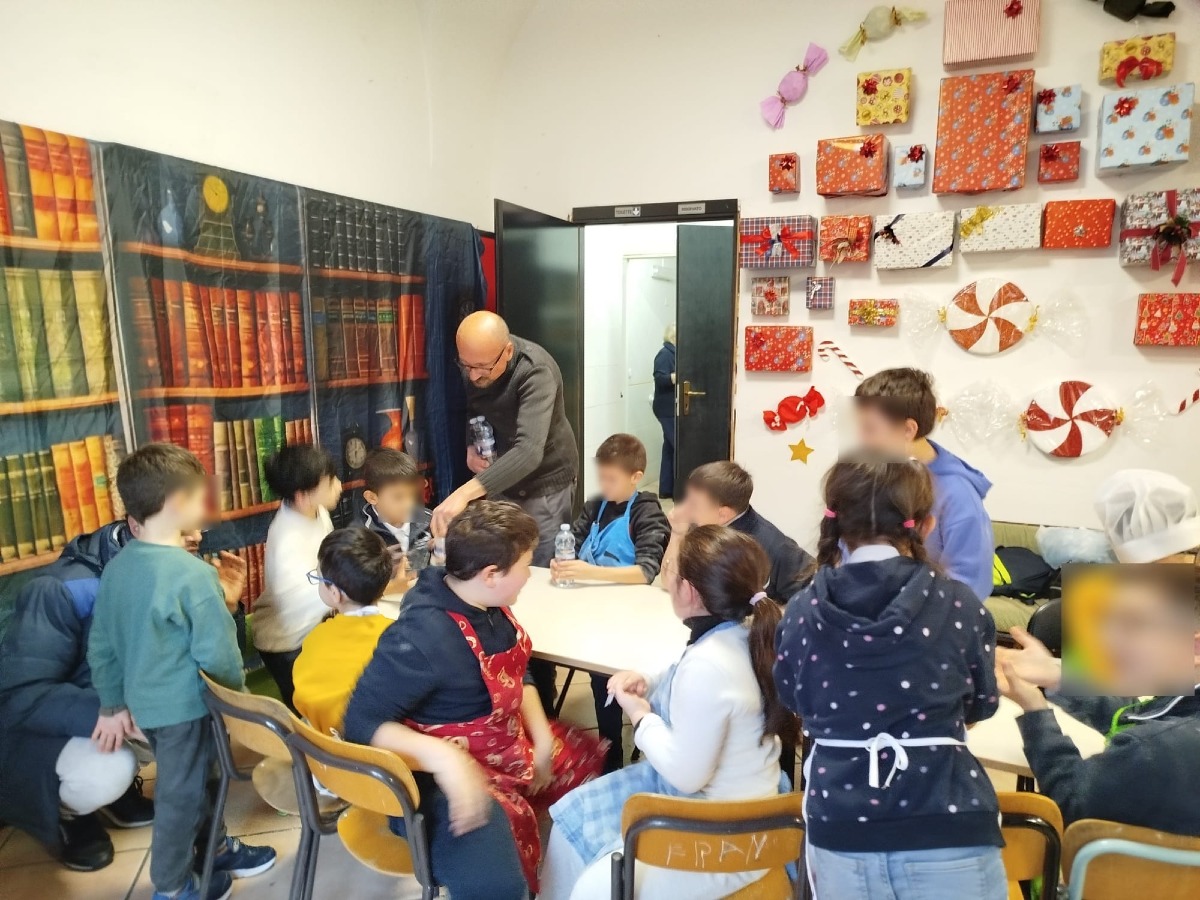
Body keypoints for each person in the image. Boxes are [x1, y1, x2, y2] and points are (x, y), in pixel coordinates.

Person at [342, 501, 606, 899]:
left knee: (589, 771)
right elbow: (360, 722)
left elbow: (521, 673)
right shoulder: (422, 635)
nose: (527, 578)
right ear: (491, 574)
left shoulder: (487, 602)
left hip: (505, 742)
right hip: (437, 775)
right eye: (526, 567)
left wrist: (541, 741)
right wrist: (447, 761)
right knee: (495, 884)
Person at [774, 451, 1004, 900]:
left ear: (835, 523)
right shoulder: (959, 604)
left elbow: (794, 700)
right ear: (926, 525)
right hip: (946, 820)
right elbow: (981, 704)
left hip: (841, 827)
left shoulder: (802, 610)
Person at [540, 526, 795, 900]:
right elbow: (686, 673)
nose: (665, 574)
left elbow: (686, 774)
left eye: (670, 570)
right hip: (737, 801)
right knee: (567, 825)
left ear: (688, 591)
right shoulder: (744, 632)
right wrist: (648, 679)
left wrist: (641, 716)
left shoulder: (711, 663)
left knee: (590, 889)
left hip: (725, 835)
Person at [0, 517, 247, 873]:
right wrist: (111, 713)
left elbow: (203, 663)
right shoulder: (61, 588)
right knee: (112, 766)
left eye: (196, 527)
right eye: (183, 527)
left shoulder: (171, 570)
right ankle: (68, 814)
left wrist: (225, 609)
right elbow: (20, 695)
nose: (195, 537)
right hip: (43, 735)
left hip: (116, 705)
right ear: (137, 525)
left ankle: (202, 846)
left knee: (195, 716)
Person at [87, 444, 276, 900]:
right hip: (188, 711)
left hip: (150, 710)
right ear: (176, 505)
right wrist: (238, 699)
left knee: (200, 780)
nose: (203, 508)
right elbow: (220, 656)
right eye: (198, 498)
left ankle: (217, 850)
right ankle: (172, 887)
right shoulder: (193, 576)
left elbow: (102, 646)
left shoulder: (117, 570)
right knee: (180, 797)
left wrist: (113, 702)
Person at [997, 469, 1200, 835]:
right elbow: (1140, 717)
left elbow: (1077, 799)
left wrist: (1035, 712)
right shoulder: (1164, 732)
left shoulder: (1153, 753)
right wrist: (1062, 676)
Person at [549, 433, 670, 772]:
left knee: (603, 673)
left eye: (612, 479)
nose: (604, 485)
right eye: (601, 477)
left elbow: (645, 572)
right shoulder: (595, 505)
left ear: (636, 476)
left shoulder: (646, 511)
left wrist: (589, 571)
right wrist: (561, 561)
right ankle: (549, 735)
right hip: (587, 608)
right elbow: (569, 540)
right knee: (539, 655)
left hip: (627, 616)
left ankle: (610, 754)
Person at [430, 310, 579, 565]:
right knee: (502, 559)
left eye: (482, 368)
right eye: (466, 366)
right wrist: (471, 445)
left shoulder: (536, 372)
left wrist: (464, 493)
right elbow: (475, 406)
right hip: (502, 477)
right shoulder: (476, 361)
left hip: (545, 482)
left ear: (507, 352)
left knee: (538, 563)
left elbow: (529, 451)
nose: (474, 375)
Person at [854, 368, 994, 601]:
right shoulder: (877, 474)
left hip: (931, 623)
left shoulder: (957, 494)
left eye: (870, 429)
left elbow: (970, 585)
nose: (861, 439)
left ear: (908, 429)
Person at [252, 444, 342, 711]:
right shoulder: (288, 540)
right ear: (303, 496)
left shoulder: (317, 511)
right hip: (286, 644)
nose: (339, 486)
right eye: (330, 482)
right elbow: (314, 596)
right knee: (308, 717)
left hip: (311, 629)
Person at [292, 528, 394, 738]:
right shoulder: (395, 636)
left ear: (335, 593)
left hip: (321, 755)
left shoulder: (317, 637)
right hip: (380, 759)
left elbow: (303, 697)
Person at [666, 460, 813, 603]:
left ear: (723, 513)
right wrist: (677, 534)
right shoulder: (697, 523)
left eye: (694, 503)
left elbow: (811, 604)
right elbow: (671, 584)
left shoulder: (777, 548)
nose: (684, 507)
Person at [356, 447, 432, 598]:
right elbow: (354, 590)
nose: (409, 504)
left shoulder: (429, 519)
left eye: (412, 495)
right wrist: (390, 588)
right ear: (372, 497)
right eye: (398, 497)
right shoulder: (361, 537)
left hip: (425, 601)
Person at [652, 324, 677, 498]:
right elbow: (660, 378)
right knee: (677, 446)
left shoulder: (673, 353)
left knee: (669, 447)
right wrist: (676, 376)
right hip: (666, 408)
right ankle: (677, 489)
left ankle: (667, 489)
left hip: (669, 407)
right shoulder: (665, 354)